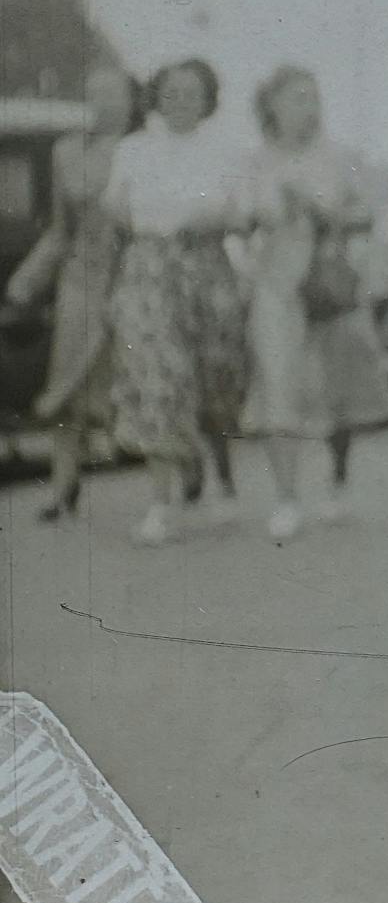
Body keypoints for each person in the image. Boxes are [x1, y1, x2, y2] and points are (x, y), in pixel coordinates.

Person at [238, 67, 388, 541]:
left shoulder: (340, 158)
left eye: (314, 97)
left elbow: (368, 213)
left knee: (337, 386)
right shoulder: (255, 163)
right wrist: (265, 217)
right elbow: (239, 218)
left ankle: (338, 480)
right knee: (277, 382)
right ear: (272, 107)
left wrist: (323, 212)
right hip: (275, 285)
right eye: (297, 98)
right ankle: (287, 498)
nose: (309, 107)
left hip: (329, 284)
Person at [103, 59, 251, 546]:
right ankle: (160, 503)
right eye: (170, 93)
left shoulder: (226, 151)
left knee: (215, 379)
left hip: (207, 270)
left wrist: (210, 218)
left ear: (208, 99)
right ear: (155, 97)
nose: (180, 102)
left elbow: (241, 212)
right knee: (158, 378)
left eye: (191, 93)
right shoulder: (133, 150)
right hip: (150, 271)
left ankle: (222, 480)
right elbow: (118, 211)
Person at [5, 64, 144, 521]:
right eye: (94, 93)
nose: (104, 103)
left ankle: (184, 469)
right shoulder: (66, 152)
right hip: (81, 279)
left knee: (146, 379)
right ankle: (64, 486)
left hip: (137, 277)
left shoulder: (144, 150)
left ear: (132, 100)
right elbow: (61, 230)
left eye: (113, 94)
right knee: (66, 384)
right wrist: (29, 277)